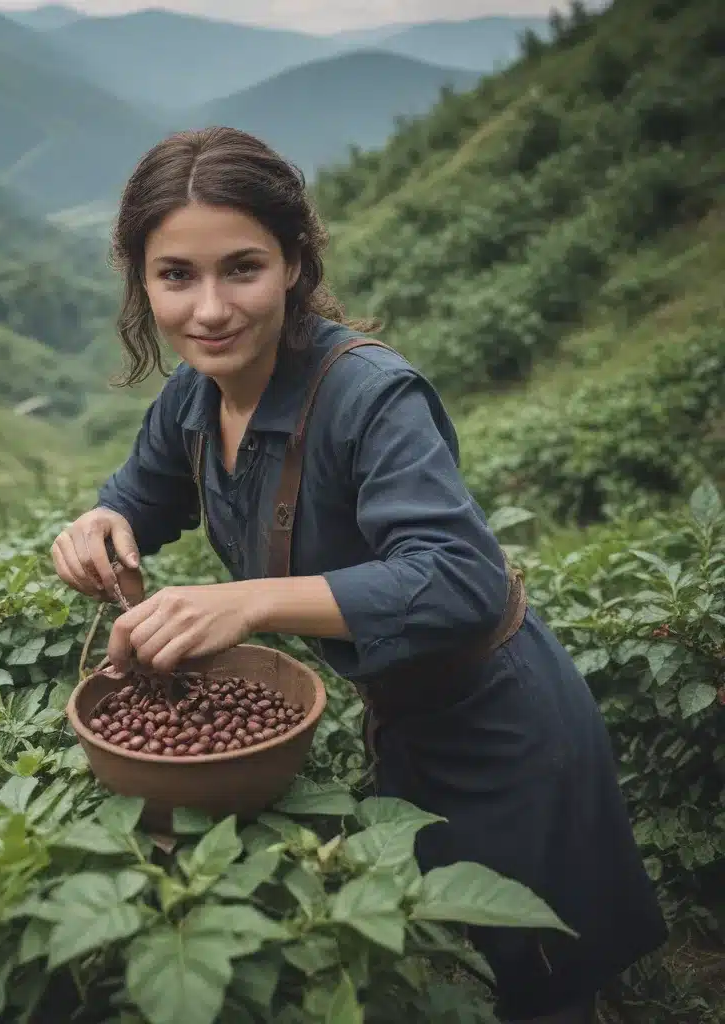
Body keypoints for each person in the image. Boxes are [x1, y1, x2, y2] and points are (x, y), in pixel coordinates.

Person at [51, 126, 667, 1023]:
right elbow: (137, 499)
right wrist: (100, 523)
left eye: (244, 268)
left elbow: (461, 578)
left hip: (502, 725)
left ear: (295, 263)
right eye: (176, 275)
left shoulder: (369, 397)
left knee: (533, 972)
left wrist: (248, 602)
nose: (211, 309)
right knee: (424, 958)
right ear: (142, 281)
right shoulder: (191, 398)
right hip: (398, 718)